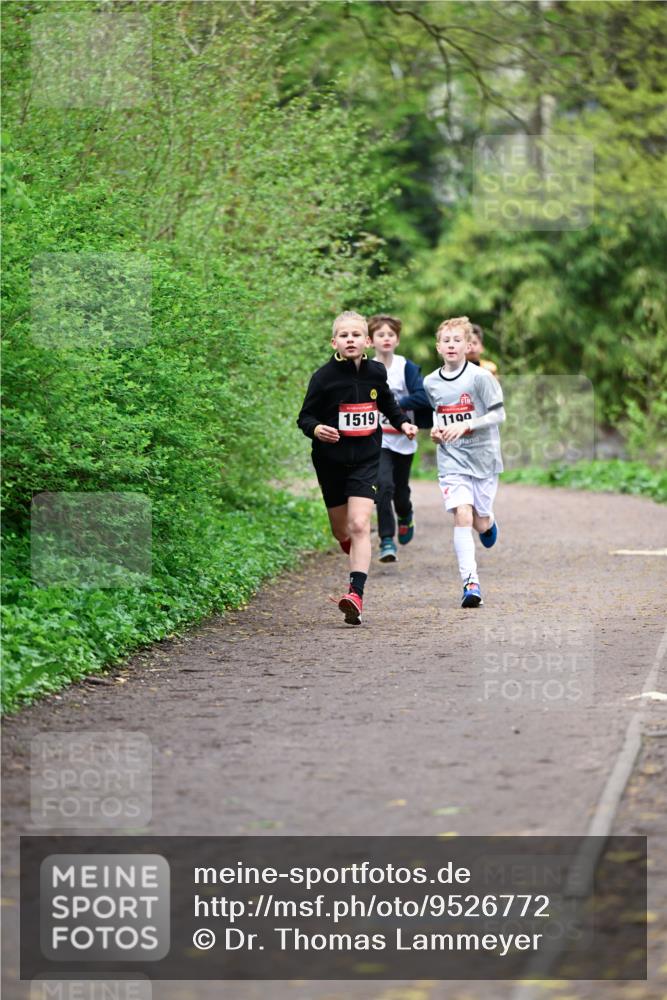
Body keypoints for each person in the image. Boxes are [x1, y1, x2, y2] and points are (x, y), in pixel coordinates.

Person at [297, 311, 418, 624]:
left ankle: (355, 594)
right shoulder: (323, 377)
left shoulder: (376, 372)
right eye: (344, 335)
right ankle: (353, 550)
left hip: (366, 459)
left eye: (356, 335)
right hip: (330, 462)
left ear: (367, 341)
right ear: (334, 341)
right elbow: (305, 417)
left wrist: (403, 423)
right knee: (343, 530)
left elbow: (388, 403)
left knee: (361, 524)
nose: (350, 340)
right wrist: (316, 429)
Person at [423, 316, 505, 608]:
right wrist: (436, 432)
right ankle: (471, 583)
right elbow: (439, 414)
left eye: (457, 340)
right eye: (446, 341)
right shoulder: (430, 381)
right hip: (451, 460)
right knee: (463, 513)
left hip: (483, 458)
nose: (452, 345)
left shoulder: (480, 377)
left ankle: (489, 523)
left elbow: (498, 415)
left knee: (480, 522)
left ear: (468, 345)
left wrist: (467, 426)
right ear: (438, 347)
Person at [368, 313, 429, 563]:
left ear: (397, 340)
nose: (386, 339)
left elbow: (422, 397)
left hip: (404, 437)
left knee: (400, 492)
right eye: (380, 335)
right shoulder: (365, 368)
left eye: (390, 335)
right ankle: (386, 540)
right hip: (377, 439)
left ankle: (405, 514)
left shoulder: (407, 367)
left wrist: (393, 403)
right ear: (370, 341)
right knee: (384, 486)